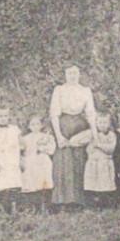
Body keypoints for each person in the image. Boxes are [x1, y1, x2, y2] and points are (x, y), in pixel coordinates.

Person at [49, 64, 98, 209]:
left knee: (79, 161)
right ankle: (62, 201)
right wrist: (58, 136)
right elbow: (54, 113)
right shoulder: (59, 90)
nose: (73, 76)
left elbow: (90, 113)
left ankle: (78, 200)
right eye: (70, 73)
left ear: (79, 74)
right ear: (65, 74)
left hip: (79, 126)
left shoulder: (85, 90)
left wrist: (94, 134)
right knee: (63, 162)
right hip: (63, 126)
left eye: (75, 72)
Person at [0, 107, 22, 214]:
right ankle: (0, 208)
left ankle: (12, 208)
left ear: (9, 117)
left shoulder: (14, 129)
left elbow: (21, 144)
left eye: (5, 116)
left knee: (12, 183)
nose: (3, 118)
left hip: (12, 160)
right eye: (0, 116)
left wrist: (22, 158)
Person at [20, 114, 56, 212]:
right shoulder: (25, 138)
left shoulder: (46, 136)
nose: (35, 127)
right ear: (28, 126)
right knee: (32, 184)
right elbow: (22, 151)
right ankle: (33, 207)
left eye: (37, 124)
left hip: (43, 161)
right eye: (33, 124)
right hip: (31, 162)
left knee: (44, 183)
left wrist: (43, 148)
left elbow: (52, 149)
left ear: (41, 125)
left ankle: (46, 207)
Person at [83, 112, 118, 208]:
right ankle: (93, 204)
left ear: (109, 124)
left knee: (104, 183)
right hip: (93, 163)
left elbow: (110, 149)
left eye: (105, 122)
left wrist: (99, 146)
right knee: (93, 183)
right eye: (100, 122)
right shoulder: (92, 135)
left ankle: (105, 204)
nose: (102, 125)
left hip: (104, 163)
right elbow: (88, 149)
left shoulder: (111, 135)